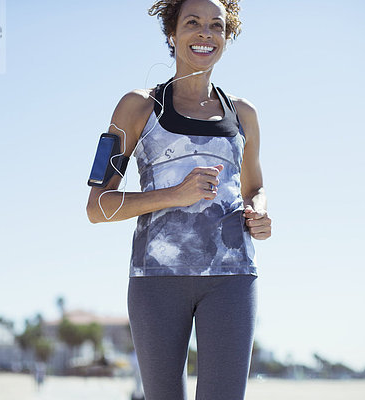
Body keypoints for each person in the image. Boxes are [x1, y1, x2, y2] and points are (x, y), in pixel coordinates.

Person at [86, 0, 272, 398]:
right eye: (193, 23)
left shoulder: (244, 114)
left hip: (233, 278)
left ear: (227, 35)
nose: (205, 33)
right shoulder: (137, 106)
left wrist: (260, 212)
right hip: (156, 282)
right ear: (172, 33)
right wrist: (175, 194)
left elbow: (255, 187)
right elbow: (97, 206)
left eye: (216, 26)